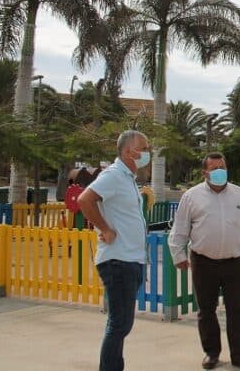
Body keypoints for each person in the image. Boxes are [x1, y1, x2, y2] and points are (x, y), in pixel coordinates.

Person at [168, 152, 240, 371]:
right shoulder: (191, 196)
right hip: (203, 263)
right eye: (214, 169)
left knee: (236, 310)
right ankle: (211, 353)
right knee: (207, 310)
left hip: (234, 262)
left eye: (223, 167)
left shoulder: (239, 194)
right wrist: (179, 256)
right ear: (204, 173)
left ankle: (239, 355)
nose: (220, 172)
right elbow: (180, 229)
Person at [77, 130, 149, 371]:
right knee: (119, 323)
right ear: (130, 151)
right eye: (145, 148)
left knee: (122, 324)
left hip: (131, 259)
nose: (148, 154)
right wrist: (105, 228)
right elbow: (85, 200)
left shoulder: (127, 178)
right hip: (118, 259)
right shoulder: (114, 175)